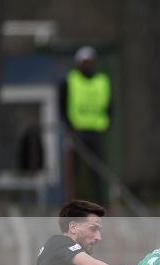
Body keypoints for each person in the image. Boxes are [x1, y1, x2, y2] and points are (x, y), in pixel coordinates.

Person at [59, 46, 112, 204]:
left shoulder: (102, 81)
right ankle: (71, 203)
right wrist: (68, 125)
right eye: (84, 62)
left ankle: (99, 204)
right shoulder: (70, 80)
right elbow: (62, 104)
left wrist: (107, 123)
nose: (87, 65)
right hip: (76, 132)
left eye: (90, 62)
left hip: (96, 131)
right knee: (73, 171)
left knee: (96, 172)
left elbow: (110, 105)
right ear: (78, 63)